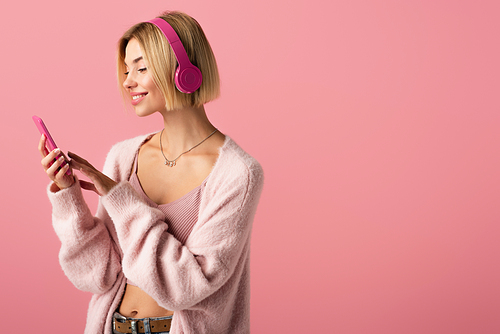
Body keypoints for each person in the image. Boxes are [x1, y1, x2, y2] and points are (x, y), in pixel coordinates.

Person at [38, 11, 263, 334]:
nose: (127, 80)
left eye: (141, 68)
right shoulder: (124, 156)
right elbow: (97, 274)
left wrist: (120, 198)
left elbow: (185, 287)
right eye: (126, 69)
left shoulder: (238, 174)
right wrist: (68, 194)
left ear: (184, 73)